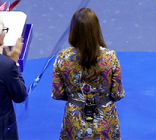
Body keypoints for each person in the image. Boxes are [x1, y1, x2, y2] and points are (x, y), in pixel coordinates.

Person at [52, 8, 125, 140]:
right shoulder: (111, 57)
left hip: (74, 126)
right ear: (96, 30)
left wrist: (75, 99)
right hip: (106, 126)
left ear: (73, 31)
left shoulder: (62, 58)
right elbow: (117, 94)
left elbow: (57, 94)